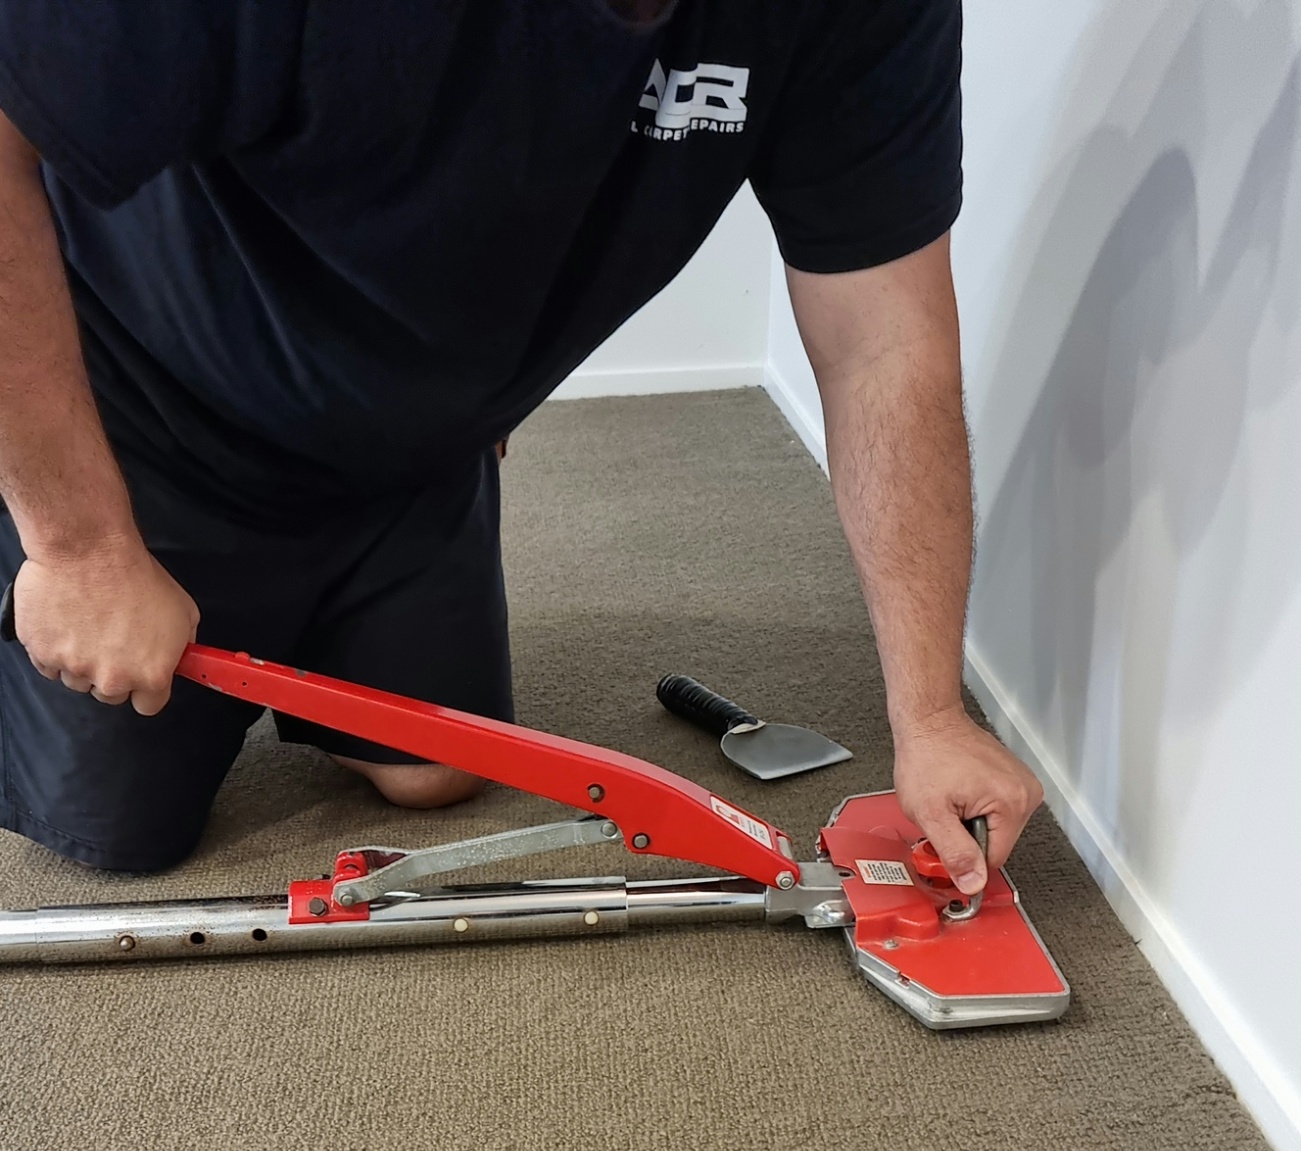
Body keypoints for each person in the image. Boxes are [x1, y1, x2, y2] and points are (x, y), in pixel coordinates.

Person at [0, 0, 1041, 887]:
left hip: (409, 450)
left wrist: (930, 715)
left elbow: (883, 343)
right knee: (126, 836)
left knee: (435, 774)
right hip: (149, 409)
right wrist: (79, 549)